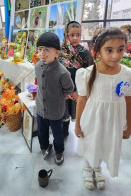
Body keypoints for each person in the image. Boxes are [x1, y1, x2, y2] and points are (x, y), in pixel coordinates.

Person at [75, 28, 131, 190]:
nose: (116, 56)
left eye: (120, 49)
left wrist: (130, 125)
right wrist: (77, 124)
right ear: (97, 52)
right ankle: (87, 168)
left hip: (114, 119)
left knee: (105, 144)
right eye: (109, 50)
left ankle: (97, 168)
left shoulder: (128, 74)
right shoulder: (88, 74)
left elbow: (129, 100)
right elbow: (81, 100)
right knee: (91, 142)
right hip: (92, 118)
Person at [35, 32, 75, 165]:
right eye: (40, 49)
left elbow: (69, 89)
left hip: (56, 111)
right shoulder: (37, 67)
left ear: (56, 53)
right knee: (42, 131)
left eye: (47, 49)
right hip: (41, 108)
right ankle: (45, 147)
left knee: (58, 135)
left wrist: (62, 95)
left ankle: (59, 151)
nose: (42, 53)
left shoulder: (62, 72)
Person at [58, 21, 93, 137]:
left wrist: (79, 92)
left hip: (78, 89)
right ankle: (63, 132)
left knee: (77, 110)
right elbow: (56, 70)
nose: (75, 38)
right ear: (66, 35)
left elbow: (89, 74)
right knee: (64, 111)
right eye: (72, 35)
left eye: (78, 35)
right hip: (62, 87)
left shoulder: (85, 53)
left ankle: (81, 131)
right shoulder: (60, 51)